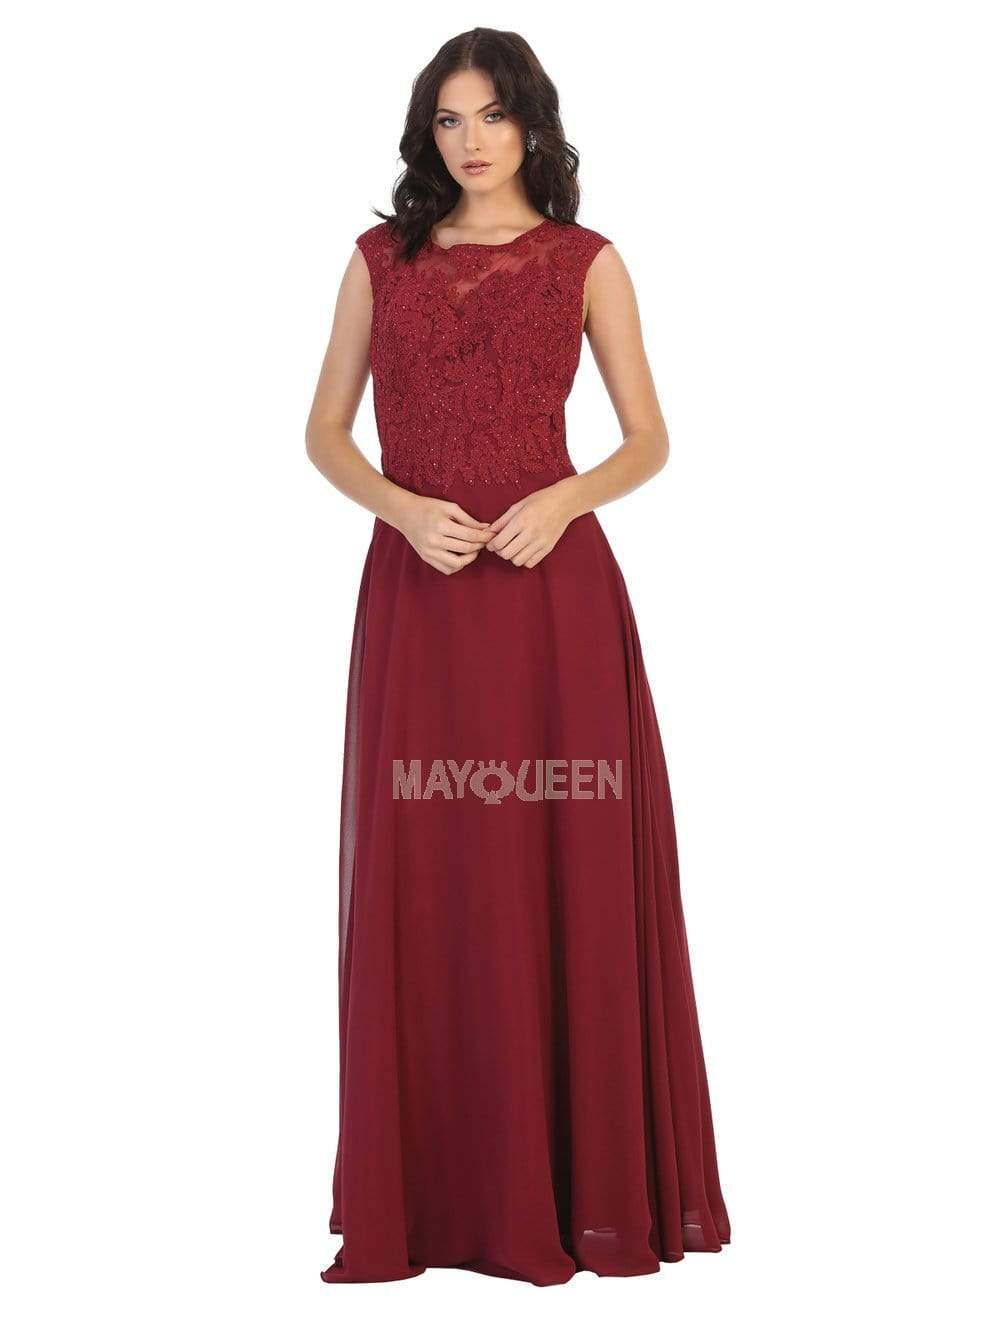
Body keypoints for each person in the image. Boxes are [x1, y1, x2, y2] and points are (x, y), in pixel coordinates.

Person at [305, 27, 731, 1285]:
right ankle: (437, 1198)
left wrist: (566, 496)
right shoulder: (377, 260)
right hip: (422, 594)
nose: (472, 141)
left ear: (532, 123)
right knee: (426, 869)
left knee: (564, 862)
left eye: (492, 115)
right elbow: (324, 431)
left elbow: (648, 438)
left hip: (552, 600)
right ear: (425, 132)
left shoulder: (586, 262)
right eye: (449, 119)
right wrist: (399, 508)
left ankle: (579, 1189)